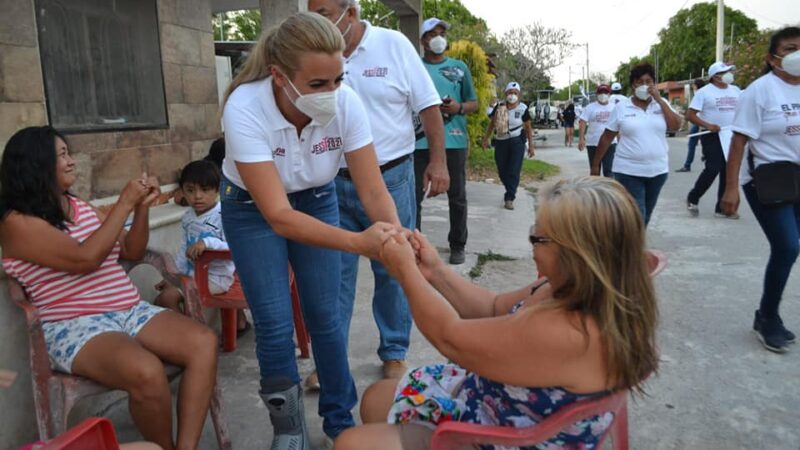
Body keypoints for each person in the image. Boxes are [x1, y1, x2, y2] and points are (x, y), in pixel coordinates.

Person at [332, 176, 659, 450]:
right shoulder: (571, 290)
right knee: (375, 399)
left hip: (505, 436)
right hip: (497, 403)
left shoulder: (569, 331)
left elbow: (450, 337)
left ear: (579, 256)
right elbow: (491, 308)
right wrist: (435, 272)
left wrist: (404, 272)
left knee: (351, 443)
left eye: (538, 237)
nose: (530, 241)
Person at [219, 12, 401, 447]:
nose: (332, 94)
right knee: (275, 322)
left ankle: (339, 420)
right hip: (252, 208)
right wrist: (359, 243)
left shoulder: (347, 104)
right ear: (280, 76)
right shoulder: (244, 107)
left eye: (339, 79)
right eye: (318, 85)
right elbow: (279, 216)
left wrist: (396, 236)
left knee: (326, 316)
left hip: (317, 198)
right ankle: (289, 430)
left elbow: (373, 191)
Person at [0, 126, 218, 450]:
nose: (72, 162)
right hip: (75, 325)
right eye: (62, 155)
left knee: (203, 343)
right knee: (146, 372)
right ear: (36, 163)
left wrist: (142, 206)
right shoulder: (15, 222)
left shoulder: (78, 206)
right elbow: (85, 258)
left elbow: (130, 250)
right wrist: (123, 204)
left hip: (128, 309)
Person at [308, 0, 447, 381]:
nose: (313, 22)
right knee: (334, 274)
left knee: (395, 265)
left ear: (348, 13)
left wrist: (438, 161)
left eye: (321, 13)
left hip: (390, 178)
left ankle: (394, 351)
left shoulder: (393, 45)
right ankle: (330, 363)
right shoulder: (313, 53)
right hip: (331, 182)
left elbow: (429, 106)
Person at [721, 26, 800, 353]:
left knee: (791, 247)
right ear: (773, 58)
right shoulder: (760, 90)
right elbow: (739, 141)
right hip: (768, 180)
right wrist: (730, 190)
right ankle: (767, 317)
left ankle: (767, 315)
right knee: (787, 247)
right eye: (791, 48)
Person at [414, 17, 478, 265]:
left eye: (442, 33)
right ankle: (414, 245)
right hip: (419, 143)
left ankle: (458, 245)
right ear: (423, 41)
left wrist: (458, 107)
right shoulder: (414, 67)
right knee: (413, 198)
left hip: (454, 141)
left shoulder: (460, 68)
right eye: (432, 34)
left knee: (458, 197)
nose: (438, 38)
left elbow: (473, 103)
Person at [592, 63, 683, 225]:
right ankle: (632, 248)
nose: (645, 85)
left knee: (645, 215)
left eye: (649, 81)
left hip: (658, 171)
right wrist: (595, 165)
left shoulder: (661, 105)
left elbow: (676, 126)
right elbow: (607, 137)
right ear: (633, 85)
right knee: (638, 215)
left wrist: (660, 101)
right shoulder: (621, 108)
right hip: (628, 171)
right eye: (640, 82)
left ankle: (631, 245)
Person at [153, 161, 239, 318]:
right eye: (190, 190)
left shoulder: (223, 216)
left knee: (168, 297)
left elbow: (232, 247)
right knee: (162, 299)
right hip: (193, 275)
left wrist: (207, 243)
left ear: (217, 189)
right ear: (182, 192)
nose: (197, 196)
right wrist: (174, 277)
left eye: (205, 190)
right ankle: (185, 331)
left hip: (217, 279)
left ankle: (188, 332)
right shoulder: (188, 218)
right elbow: (183, 250)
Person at [686, 63, 741, 218]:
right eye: (725, 72)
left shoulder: (736, 90)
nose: (729, 74)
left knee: (728, 171)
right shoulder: (704, 92)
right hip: (712, 135)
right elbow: (690, 115)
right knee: (713, 168)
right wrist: (708, 125)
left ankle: (722, 208)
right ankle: (693, 197)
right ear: (715, 76)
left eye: (729, 71)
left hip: (731, 134)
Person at [481, 81, 535, 210]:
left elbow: (528, 127)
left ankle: (509, 197)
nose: (512, 95)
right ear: (506, 93)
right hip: (501, 141)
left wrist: (531, 145)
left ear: (519, 94)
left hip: (516, 141)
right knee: (502, 170)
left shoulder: (522, 108)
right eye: (510, 92)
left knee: (514, 170)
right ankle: (510, 187)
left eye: (515, 93)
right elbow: (492, 124)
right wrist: (486, 139)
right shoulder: (499, 107)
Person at [578, 84, 617, 177]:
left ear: (609, 94)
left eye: (605, 92)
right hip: (593, 143)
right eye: (601, 92)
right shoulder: (590, 107)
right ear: (597, 94)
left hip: (610, 144)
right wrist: (581, 139)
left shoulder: (614, 107)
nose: (603, 95)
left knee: (609, 170)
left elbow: (618, 126)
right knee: (595, 170)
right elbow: (582, 122)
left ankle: (608, 190)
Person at [675, 79, 706, 173]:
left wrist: (686, 115)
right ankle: (705, 156)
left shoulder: (699, 94)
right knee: (706, 142)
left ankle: (687, 165)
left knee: (692, 144)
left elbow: (693, 111)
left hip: (699, 122)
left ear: (696, 86)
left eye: (693, 85)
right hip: (705, 122)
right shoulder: (706, 92)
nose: (692, 87)